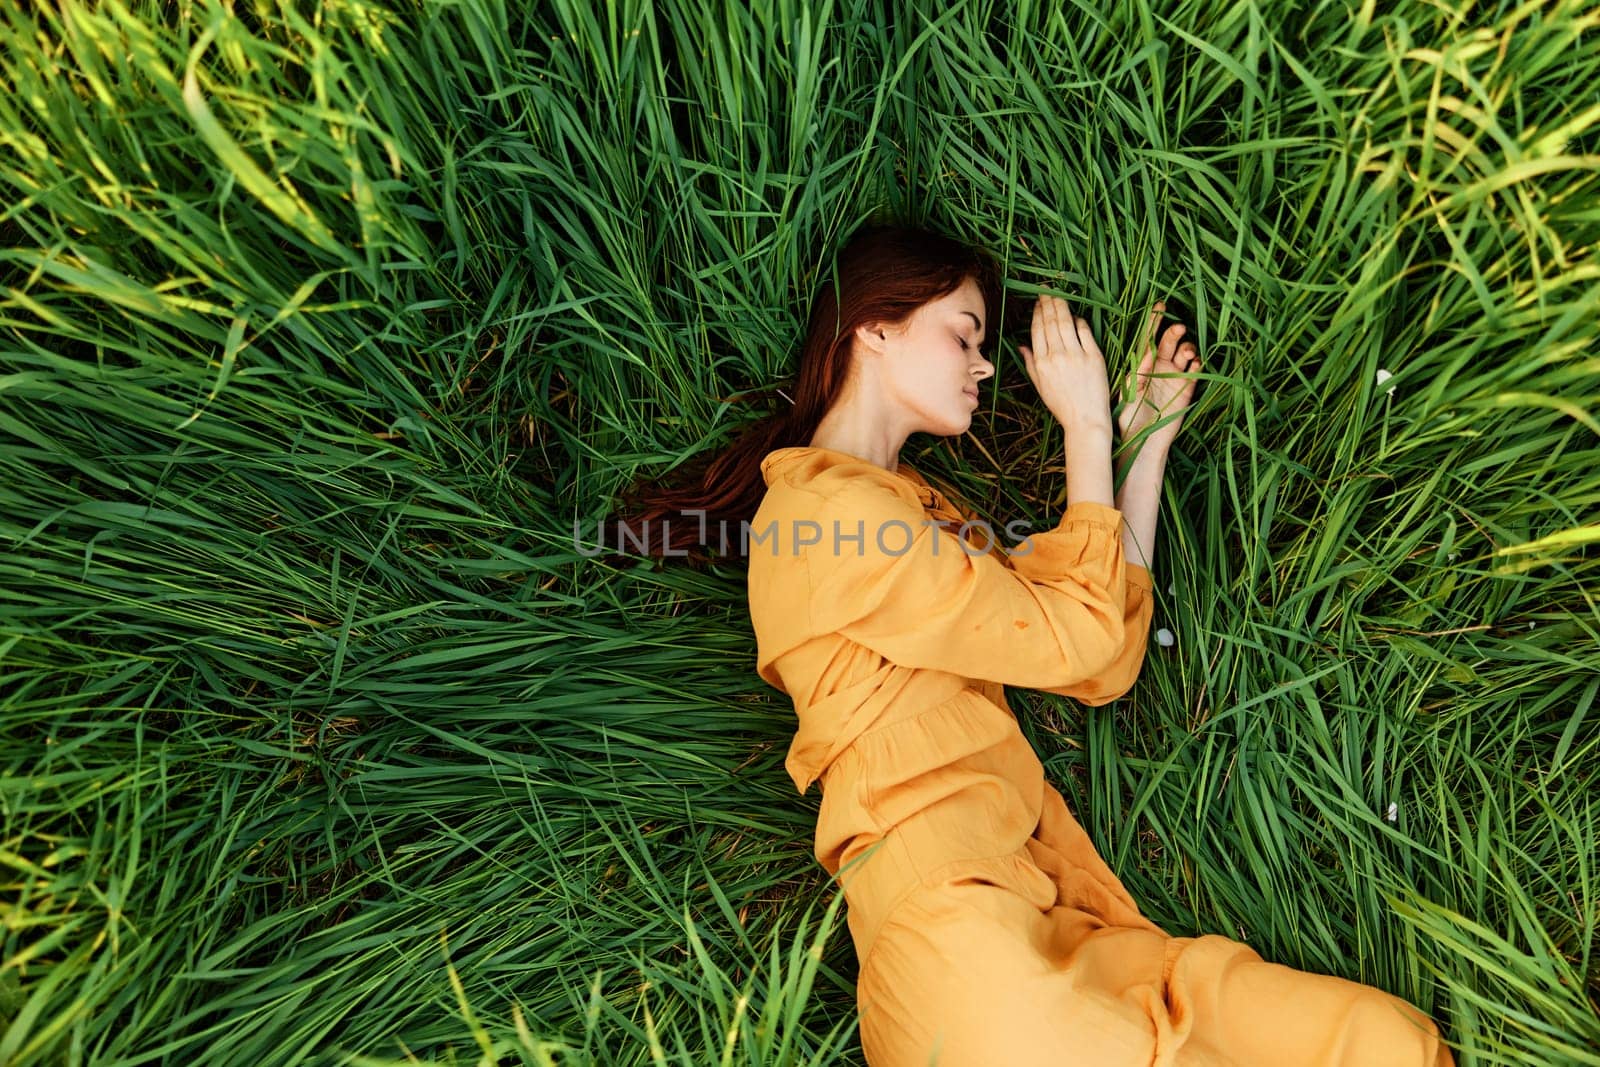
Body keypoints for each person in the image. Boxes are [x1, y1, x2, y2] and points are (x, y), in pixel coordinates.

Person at [614, 222, 1454, 1065]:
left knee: (1384, 1044)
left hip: (1047, 910)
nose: (983, 366)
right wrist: (1083, 431)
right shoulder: (830, 519)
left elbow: (1100, 655)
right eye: (964, 335)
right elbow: (1076, 635)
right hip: (954, 937)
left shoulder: (910, 508)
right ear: (874, 326)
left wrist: (1142, 448)